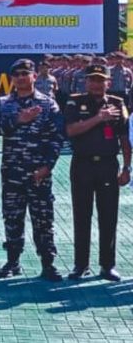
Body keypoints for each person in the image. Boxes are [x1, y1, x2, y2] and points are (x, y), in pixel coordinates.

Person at [0, 58, 65, 281]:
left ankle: (48, 263)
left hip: (38, 173)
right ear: (13, 78)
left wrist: (47, 167)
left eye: (25, 74)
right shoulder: (3, 104)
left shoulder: (48, 104)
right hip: (12, 172)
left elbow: (57, 138)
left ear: (33, 76)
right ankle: (13, 261)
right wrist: (17, 119)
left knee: (43, 219)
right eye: (17, 74)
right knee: (12, 218)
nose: (21, 78)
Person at [64, 63, 131, 281]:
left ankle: (107, 265)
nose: (95, 83)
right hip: (82, 165)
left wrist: (126, 167)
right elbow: (71, 130)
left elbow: (124, 139)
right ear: (86, 82)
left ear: (108, 83)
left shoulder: (117, 103)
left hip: (107, 165)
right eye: (92, 79)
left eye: (100, 80)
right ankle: (80, 264)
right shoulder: (75, 101)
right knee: (82, 215)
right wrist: (98, 118)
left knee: (108, 216)